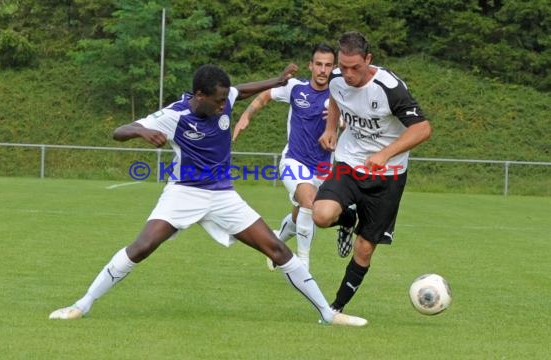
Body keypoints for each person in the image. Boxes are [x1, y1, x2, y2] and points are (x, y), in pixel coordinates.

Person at [48, 63, 367, 326]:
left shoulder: (225, 97)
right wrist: (141, 131)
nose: (221, 106)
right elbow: (119, 131)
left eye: (223, 100)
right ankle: (83, 304)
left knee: (276, 249)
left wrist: (276, 80)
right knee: (142, 246)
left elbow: (242, 90)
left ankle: (327, 313)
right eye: (215, 101)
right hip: (183, 193)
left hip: (222, 196)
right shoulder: (175, 115)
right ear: (198, 95)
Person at [312, 31, 432, 313]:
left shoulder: (390, 88)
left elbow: (423, 128)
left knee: (365, 248)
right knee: (321, 214)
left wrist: (385, 154)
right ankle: (348, 218)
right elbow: (335, 99)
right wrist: (331, 129)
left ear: (368, 59)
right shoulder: (337, 78)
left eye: (356, 67)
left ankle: (335, 310)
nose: (349, 74)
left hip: (388, 175)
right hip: (349, 162)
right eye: (344, 66)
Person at [233, 43, 344, 271]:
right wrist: (246, 115)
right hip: (294, 161)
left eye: (328, 65)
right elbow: (265, 96)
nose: (323, 70)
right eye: (319, 64)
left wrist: (340, 121)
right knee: (309, 202)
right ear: (310, 66)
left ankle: (277, 244)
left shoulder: (340, 96)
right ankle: (301, 264)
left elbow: (355, 123)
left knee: (300, 215)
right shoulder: (295, 88)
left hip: (323, 168)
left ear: (334, 68)